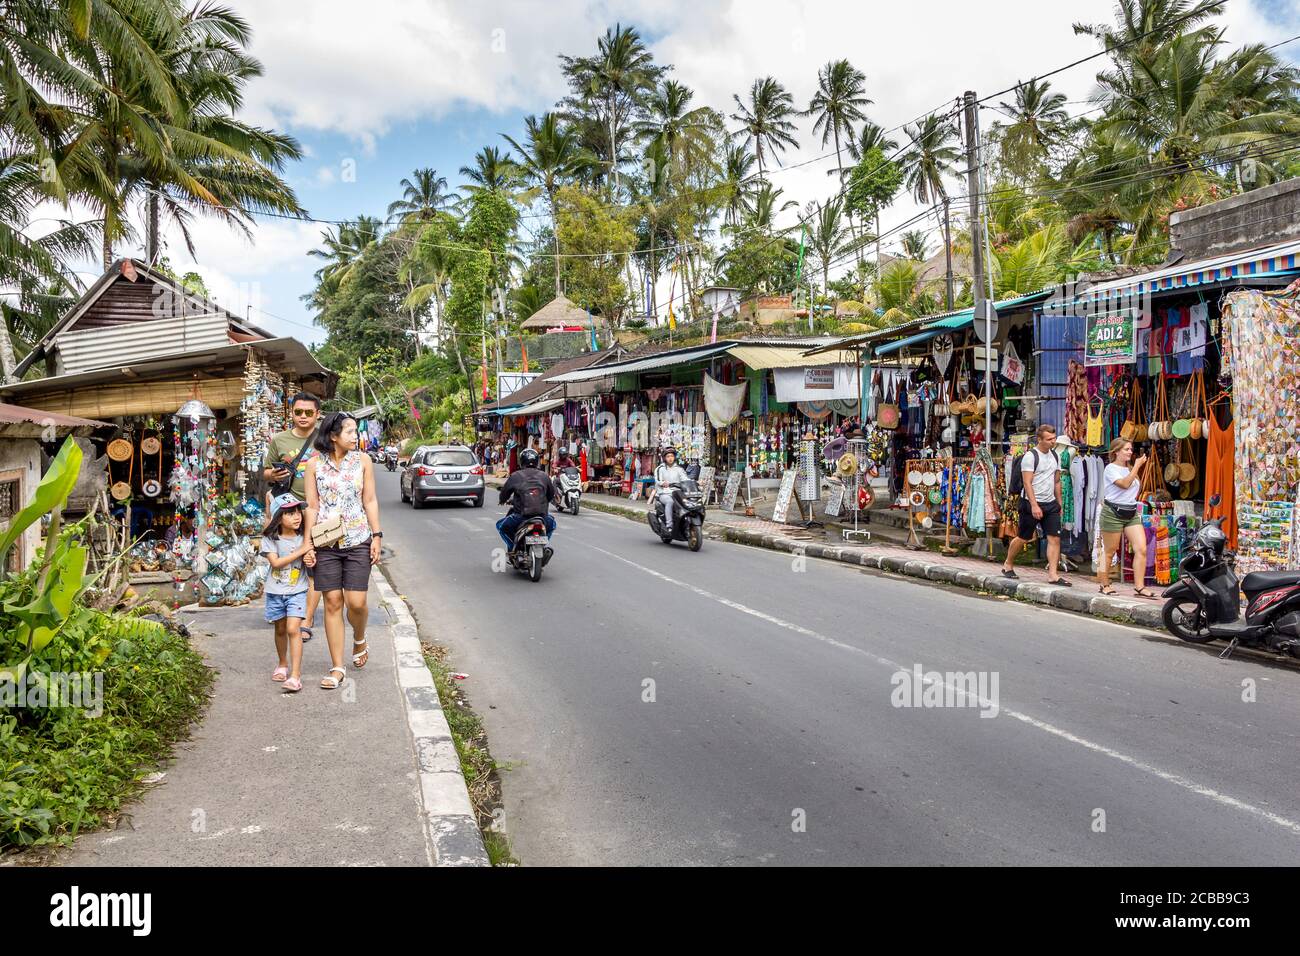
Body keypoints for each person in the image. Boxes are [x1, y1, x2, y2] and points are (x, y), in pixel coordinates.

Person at [303, 412, 382, 690]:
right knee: (333, 602)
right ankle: (337, 667)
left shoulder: (363, 461)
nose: (355, 436)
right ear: (333, 435)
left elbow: (369, 500)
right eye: (349, 431)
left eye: (355, 431)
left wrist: (377, 535)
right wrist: (307, 544)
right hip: (326, 543)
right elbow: (311, 506)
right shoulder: (313, 466)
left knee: (356, 602)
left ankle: (359, 637)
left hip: (358, 539)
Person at [263, 392, 322, 641]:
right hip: (289, 511)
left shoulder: (325, 438)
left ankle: (305, 620)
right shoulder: (279, 440)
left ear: (317, 414)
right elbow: (266, 471)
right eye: (299, 412)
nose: (304, 417)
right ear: (292, 413)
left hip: (318, 507)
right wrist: (272, 476)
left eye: (309, 412)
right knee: (290, 559)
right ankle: (287, 609)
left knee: (314, 564)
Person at [1001, 423, 1071, 586]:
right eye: (1049, 439)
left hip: (1050, 503)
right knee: (1023, 537)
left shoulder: (1056, 456)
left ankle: (1053, 574)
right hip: (1030, 502)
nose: (1053, 442)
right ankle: (1008, 564)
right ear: (1039, 440)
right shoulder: (1031, 456)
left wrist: (1059, 503)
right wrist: (1034, 505)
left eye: (1054, 438)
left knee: (1054, 538)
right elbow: (1027, 482)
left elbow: (1057, 481)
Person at [260, 495, 313, 693]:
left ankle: (295, 676)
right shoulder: (270, 539)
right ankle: (282, 664)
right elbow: (275, 563)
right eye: (290, 513)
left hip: (297, 591)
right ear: (278, 517)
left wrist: (309, 555)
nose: (297, 516)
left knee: (293, 629)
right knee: (280, 629)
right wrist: (302, 551)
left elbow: (310, 557)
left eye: (298, 512)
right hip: (275, 592)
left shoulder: (304, 539)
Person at [1097, 438, 1156, 597]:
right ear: (1116, 452)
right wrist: (1137, 466)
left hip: (1131, 512)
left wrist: (1134, 467)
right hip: (1113, 513)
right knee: (1109, 551)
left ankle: (1139, 586)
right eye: (1126, 449)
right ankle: (1104, 583)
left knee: (1141, 549)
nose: (1130, 452)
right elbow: (1124, 484)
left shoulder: (1130, 468)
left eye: (1131, 449)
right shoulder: (1110, 468)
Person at [496, 448, 560, 553]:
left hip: (520, 517)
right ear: (537, 461)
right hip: (542, 517)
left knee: (500, 526)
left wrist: (502, 500)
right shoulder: (544, 476)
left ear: (521, 461)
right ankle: (544, 544)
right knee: (552, 524)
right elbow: (550, 495)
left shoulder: (516, 475)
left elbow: (505, 493)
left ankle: (513, 549)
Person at [653, 448, 690, 536]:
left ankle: (686, 524)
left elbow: (685, 479)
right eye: (668, 456)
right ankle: (669, 525)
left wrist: (694, 482)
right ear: (664, 458)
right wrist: (662, 483)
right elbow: (657, 479)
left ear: (674, 457)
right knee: (670, 502)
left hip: (677, 493)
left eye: (672, 456)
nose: (670, 458)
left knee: (687, 503)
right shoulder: (660, 468)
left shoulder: (679, 469)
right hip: (664, 493)